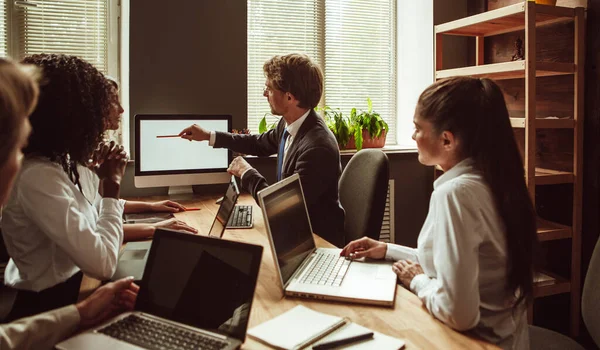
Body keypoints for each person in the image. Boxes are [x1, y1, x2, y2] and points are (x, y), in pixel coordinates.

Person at [341, 77, 537, 349]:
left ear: (447, 140)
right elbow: (450, 263)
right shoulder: (493, 180)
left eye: (417, 128)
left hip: (471, 342)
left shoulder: (456, 195)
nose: (413, 136)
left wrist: (418, 280)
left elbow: (459, 314)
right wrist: (386, 250)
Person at [0, 57, 138, 350]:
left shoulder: (54, 165)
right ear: (72, 117)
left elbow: (87, 218)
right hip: (43, 304)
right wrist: (111, 188)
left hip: (63, 298)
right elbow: (101, 263)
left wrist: (91, 169)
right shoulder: (36, 175)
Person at [179, 53, 345, 246]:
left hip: (317, 242)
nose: (264, 94)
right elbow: (258, 143)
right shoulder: (290, 124)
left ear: (290, 97)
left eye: (269, 88)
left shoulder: (318, 147)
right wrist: (209, 135)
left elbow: (285, 207)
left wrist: (247, 173)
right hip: (292, 230)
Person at [76, 76, 197, 241]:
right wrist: (155, 228)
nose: (121, 110)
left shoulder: (90, 154)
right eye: (114, 102)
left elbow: (101, 206)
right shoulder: (72, 164)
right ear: (93, 109)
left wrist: (152, 206)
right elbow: (94, 230)